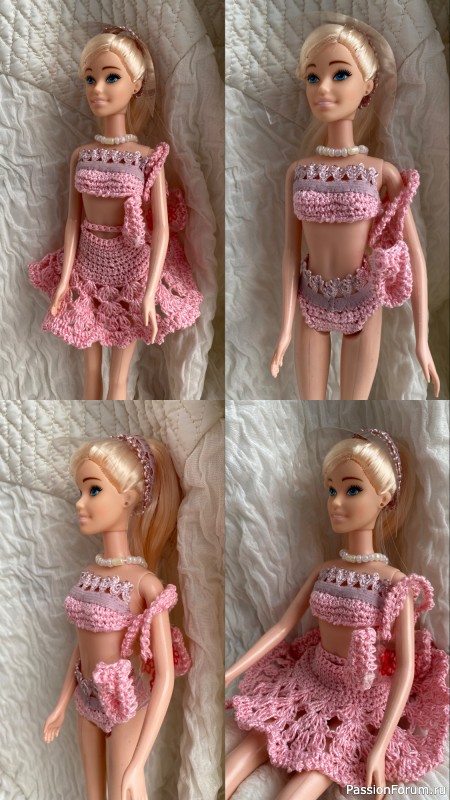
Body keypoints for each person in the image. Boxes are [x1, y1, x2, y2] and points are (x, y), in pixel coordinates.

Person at [226, 430, 448, 799]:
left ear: (384, 499)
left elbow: (405, 669)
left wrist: (380, 745)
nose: (335, 502)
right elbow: (282, 627)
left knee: (313, 775)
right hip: (308, 678)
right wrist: (230, 672)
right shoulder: (326, 571)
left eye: (352, 490)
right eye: (331, 490)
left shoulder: (395, 584)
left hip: (358, 700)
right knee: (245, 752)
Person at [28, 27, 202, 400]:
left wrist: (150, 292)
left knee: (119, 380)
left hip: (132, 270)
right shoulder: (81, 155)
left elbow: (162, 231)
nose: (97, 89)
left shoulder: (147, 158)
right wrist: (64, 280)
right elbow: (73, 221)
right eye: (90, 79)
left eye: (111, 77)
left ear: (136, 85)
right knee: (90, 372)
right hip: (87, 266)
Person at [270, 21, 439, 399]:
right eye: (312, 78)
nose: (323, 88)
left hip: (363, 301)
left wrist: (422, 340)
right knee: (310, 402)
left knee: (355, 401)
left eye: (340, 74)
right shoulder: (298, 172)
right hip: (310, 301)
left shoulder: (382, 173)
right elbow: (290, 252)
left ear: (368, 86)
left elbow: (414, 255)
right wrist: (284, 330)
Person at [43, 435, 191, 800]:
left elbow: (165, 678)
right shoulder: (88, 574)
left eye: (93, 490)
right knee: (93, 793)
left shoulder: (145, 584)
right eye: (81, 491)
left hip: (126, 705)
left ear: (128, 498)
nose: (80, 502)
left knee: (124, 790)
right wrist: (61, 705)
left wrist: (139, 761)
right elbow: (82, 648)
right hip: (86, 700)